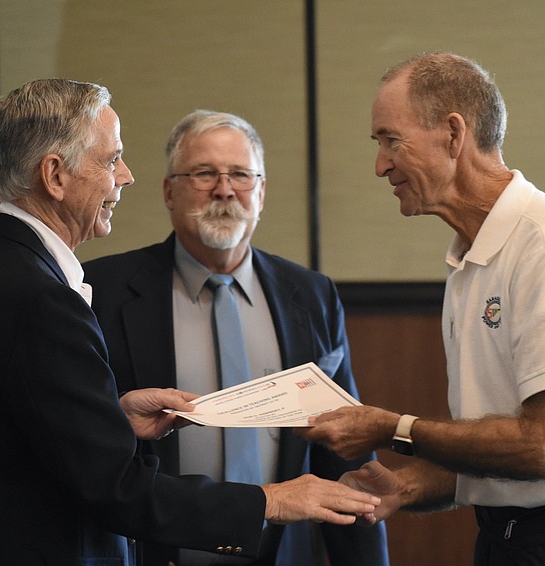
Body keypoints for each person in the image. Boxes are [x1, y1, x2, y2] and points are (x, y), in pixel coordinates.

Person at [0, 79, 379, 566]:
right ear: (54, 175)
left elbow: (8, 436)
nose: (125, 176)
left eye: (241, 174)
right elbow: (115, 488)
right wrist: (272, 501)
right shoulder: (44, 298)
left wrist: (112, 419)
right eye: (111, 159)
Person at [300, 52, 545, 565]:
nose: (380, 164)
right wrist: (402, 488)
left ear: (453, 134)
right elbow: (499, 452)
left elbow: (543, 449)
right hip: (511, 538)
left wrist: (391, 428)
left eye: (390, 140)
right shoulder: (470, 259)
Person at [83, 109, 389, 566]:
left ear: (261, 193)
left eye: (241, 175)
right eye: (204, 173)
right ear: (169, 191)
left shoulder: (311, 295)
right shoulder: (102, 291)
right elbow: (88, 450)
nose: (224, 190)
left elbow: (343, 454)